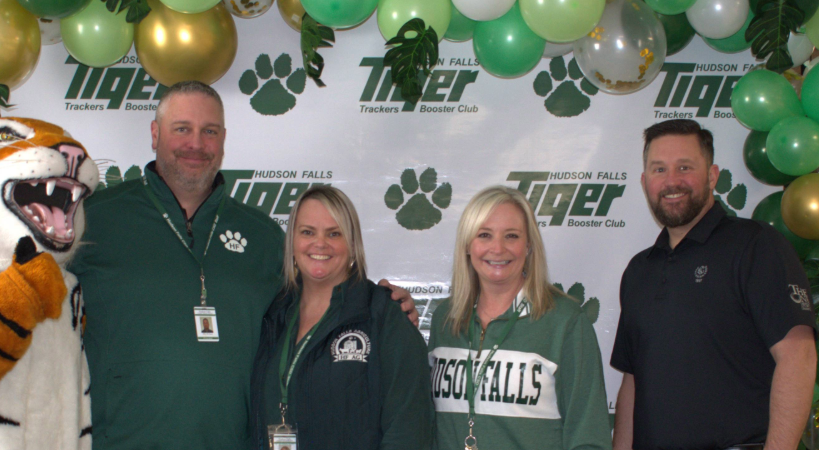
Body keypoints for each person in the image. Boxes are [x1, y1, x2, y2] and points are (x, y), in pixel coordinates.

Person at [66, 81, 416, 449]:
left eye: (210, 132)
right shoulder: (91, 221)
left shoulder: (262, 235)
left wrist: (383, 312)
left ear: (224, 139)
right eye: (182, 129)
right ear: (155, 133)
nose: (196, 144)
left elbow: (318, 304)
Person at [611, 119, 816, 450]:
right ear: (644, 180)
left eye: (685, 167)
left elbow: (798, 357)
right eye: (659, 169)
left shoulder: (756, 246)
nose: (671, 181)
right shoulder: (639, 271)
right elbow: (632, 381)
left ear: (712, 175)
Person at [248, 185, 434, 450]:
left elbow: (409, 427)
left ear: (352, 243)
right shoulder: (272, 314)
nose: (319, 243)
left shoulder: (383, 314)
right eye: (307, 232)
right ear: (291, 242)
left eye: (334, 233)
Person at [428, 186, 611, 450]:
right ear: (468, 245)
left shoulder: (565, 321)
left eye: (511, 236)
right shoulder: (445, 319)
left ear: (528, 245)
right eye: (484, 235)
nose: (498, 248)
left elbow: (589, 437)